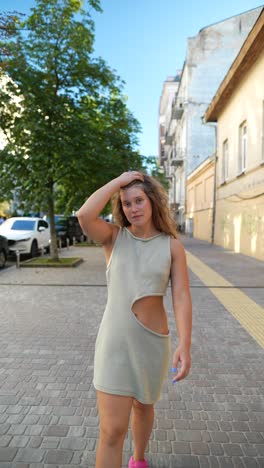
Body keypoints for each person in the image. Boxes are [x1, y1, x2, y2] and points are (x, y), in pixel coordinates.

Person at [77, 171, 192, 468]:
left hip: (153, 345)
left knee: (144, 407)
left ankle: (138, 459)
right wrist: (118, 181)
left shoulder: (172, 246)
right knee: (111, 430)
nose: (133, 208)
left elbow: (181, 297)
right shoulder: (113, 238)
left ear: (152, 201)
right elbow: (85, 214)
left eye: (139, 200)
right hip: (115, 343)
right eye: (126, 203)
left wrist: (185, 344)